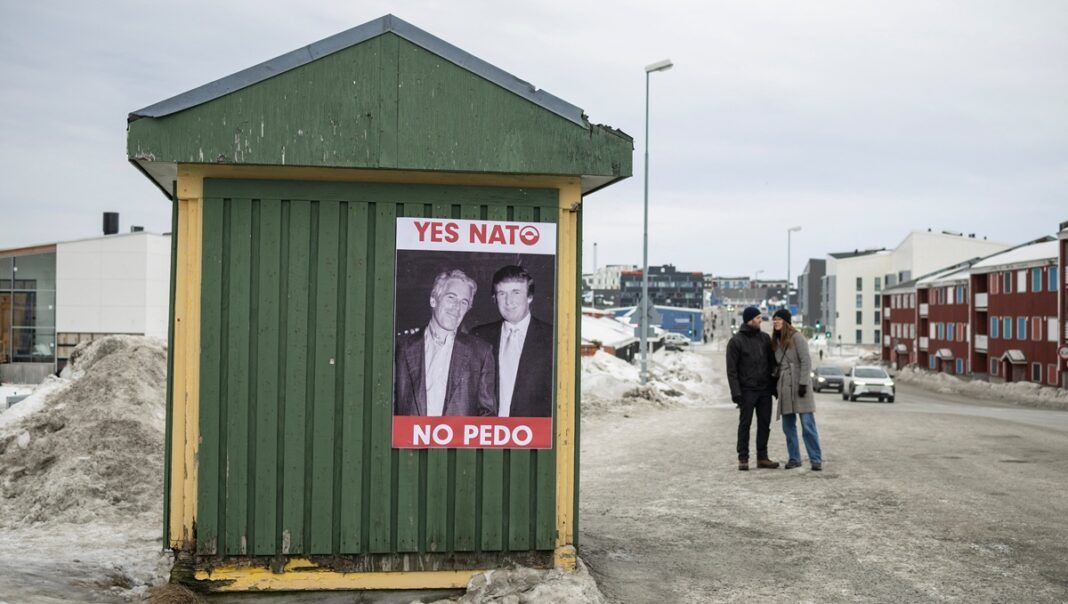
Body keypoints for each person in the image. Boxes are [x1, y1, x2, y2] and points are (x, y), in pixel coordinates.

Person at [394, 269, 496, 417]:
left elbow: (488, 416)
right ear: (433, 300)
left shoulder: (481, 353)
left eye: (464, 302)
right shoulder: (400, 348)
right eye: (451, 298)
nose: (457, 307)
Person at [473, 265, 554, 417]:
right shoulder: (479, 336)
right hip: (489, 433)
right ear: (494, 298)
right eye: (502, 293)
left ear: (529, 297)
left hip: (534, 435)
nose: (508, 301)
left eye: (516, 292)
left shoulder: (553, 338)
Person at [725, 306, 780, 471]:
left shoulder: (765, 339)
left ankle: (762, 458)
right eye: (758, 318)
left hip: (764, 391)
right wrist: (736, 393)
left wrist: (774, 386)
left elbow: (773, 364)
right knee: (745, 425)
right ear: (749, 320)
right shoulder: (736, 342)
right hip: (747, 391)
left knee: (764, 424)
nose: (760, 320)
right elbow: (731, 371)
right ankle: (743, 458)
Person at [771, 309, 823, 471]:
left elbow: (806, 361)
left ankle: (815, 459)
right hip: (785, 386)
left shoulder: (798, 337)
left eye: (778, 320)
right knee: (788, 427)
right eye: (774, 320)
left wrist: (803, 384)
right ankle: (794, 458)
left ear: (786, 322)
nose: (775, 322)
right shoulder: (775, 341)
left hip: (801, 387)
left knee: (807, 425)